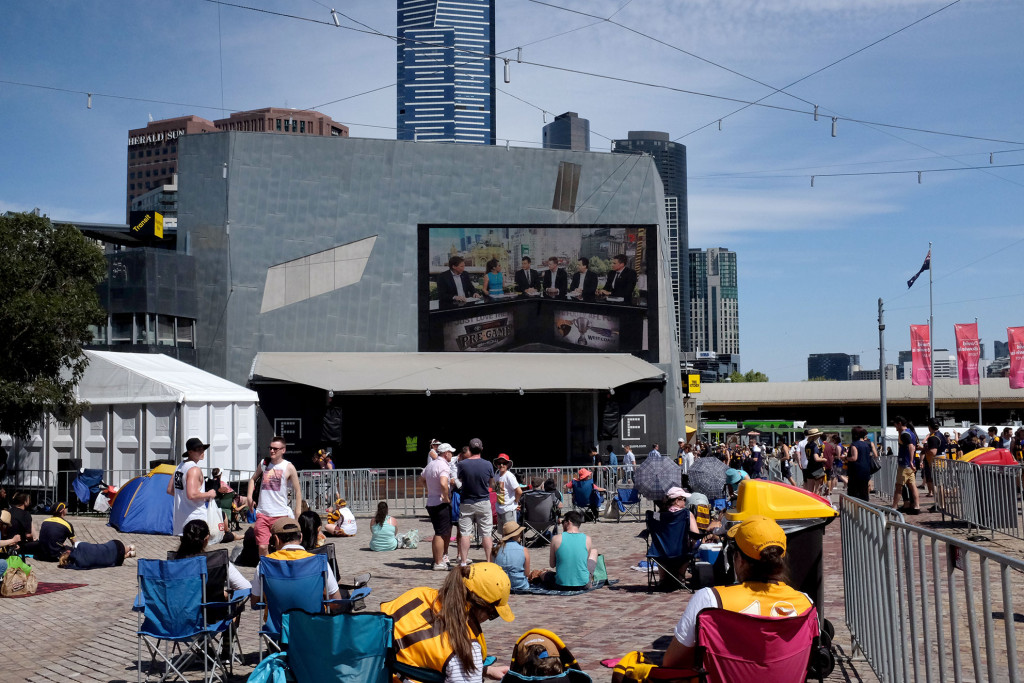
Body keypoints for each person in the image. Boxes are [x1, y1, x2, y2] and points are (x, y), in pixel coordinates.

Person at [662, 515, 813, 668]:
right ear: (781, 558)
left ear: (739, 559)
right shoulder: (806, 604)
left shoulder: (710, 600)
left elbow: (672, 662)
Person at [381, 563, 514, 682]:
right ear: (480, 606)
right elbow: (456, 664)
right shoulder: (465, 648)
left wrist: (484, 670)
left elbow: (419, 658)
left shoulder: (417, 594)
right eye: (493, 614)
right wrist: (473, 669)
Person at [250, 517, 342, 609]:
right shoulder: (320, 562)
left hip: (278, 622)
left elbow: (255, 602)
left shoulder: (265, 564)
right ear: (301, 537)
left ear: (276, 539)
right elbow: (336, 602)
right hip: (314, 622)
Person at [247, 435, 303, 556]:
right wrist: (249, 497)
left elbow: (298, 490)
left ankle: (279, 569)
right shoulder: (264, 463)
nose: (272, 451)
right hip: (263, 513)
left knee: (282, 547)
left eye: (275, 449)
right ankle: (265, 570)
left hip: (280, 514)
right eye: (270, 448)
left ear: (283, 450)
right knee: (262, 546)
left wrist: (297, 511)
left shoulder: (288, 467)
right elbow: (252, 479)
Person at [534, 511, 598, 591]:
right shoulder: (587, 539)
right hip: (583, 584)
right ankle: (587, 578)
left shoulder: (556, 539)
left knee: (543, 574)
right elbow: (584, 561)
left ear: (569, 522)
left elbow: (552, 564)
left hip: (560, 584)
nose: (562, 524)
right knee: (594, 551)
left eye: (563, 522)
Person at [167, 437, 218, 536]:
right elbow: (192, 495)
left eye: (202, 449)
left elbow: (170, 490)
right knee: (196, 550)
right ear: (190, 452)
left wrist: (183, 496)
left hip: (181, 519)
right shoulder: (194, 469)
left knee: (186, 550)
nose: (202, 452)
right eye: (198, 450)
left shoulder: (179, 467)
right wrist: (209, 494)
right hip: (195, 518)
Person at [457, 438, 495, 566]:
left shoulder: (462, 465)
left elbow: (460, 480)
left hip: (467, 501)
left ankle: (463, 561)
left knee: (465, 533)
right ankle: (489, 561)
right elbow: (491, 483)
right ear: (482, 449)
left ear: (469, 448)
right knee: (486, 533)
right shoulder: (488, 464)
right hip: (483, 500)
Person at [422, 444, 453, 570]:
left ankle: (437, 559)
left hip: (431, 501)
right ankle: (439, 562)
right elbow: (443, 483)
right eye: (450, 452)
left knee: (439, 532)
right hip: (440, 503)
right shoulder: (443, 465)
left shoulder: (431, 464)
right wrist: (445, 497)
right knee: (440, 533)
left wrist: (429, 490)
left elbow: (422, 478)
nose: (451, 454)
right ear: (446, 453)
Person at [892, 416, 920, 514]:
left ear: (899, 423)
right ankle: (916, 506)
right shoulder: (911, 432)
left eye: (895, 424)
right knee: (912, 485)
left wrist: (911, 461)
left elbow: (911, 446)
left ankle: (894, 507)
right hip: (908, 464)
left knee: (899, 486)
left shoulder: (905, 434)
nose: (894, 426)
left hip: (905, 464)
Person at [494, 521, 531, 593]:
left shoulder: (495, 549)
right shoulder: (523, 550)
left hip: (500, 584)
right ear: (516, 534)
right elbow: (526, 573)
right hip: (520, 585)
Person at [844, 426, 875, 502]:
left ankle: (855, 510)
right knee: (864, 491)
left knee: (854, 492)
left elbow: (854, 458)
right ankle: (865, 508)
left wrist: (845, 458)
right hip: (866, 471)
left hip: (856, 471)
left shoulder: (854, 445)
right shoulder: (867, 445)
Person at [921, 418, 946, 505]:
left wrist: (924, 449)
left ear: (929, 427)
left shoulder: (933, 437)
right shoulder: (941, 435)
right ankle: (939, 504)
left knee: (938, 485)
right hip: (942, 461)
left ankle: (940, 504)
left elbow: (933, 452)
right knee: (939, 485)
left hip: (936, 463)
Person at [493, 455, 522, 527]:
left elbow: (519, 491)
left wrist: (515, 501)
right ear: (497, 465)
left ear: (508, 464)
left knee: (511, 533)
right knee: (503, 533)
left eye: (504, 463)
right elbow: (497, 491)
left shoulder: (509, 476)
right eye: (499, 463)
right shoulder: (496, 476)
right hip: (500, 509)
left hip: (509, 509)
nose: (501, 465)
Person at [801, 428, 827, 493]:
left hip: (809, 466)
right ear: (815, 436)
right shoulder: (815, 445)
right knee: (818, 489)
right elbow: (816, 458)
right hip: (817, 467)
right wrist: (824, 459)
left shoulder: (807, 445)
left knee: (810, 489)